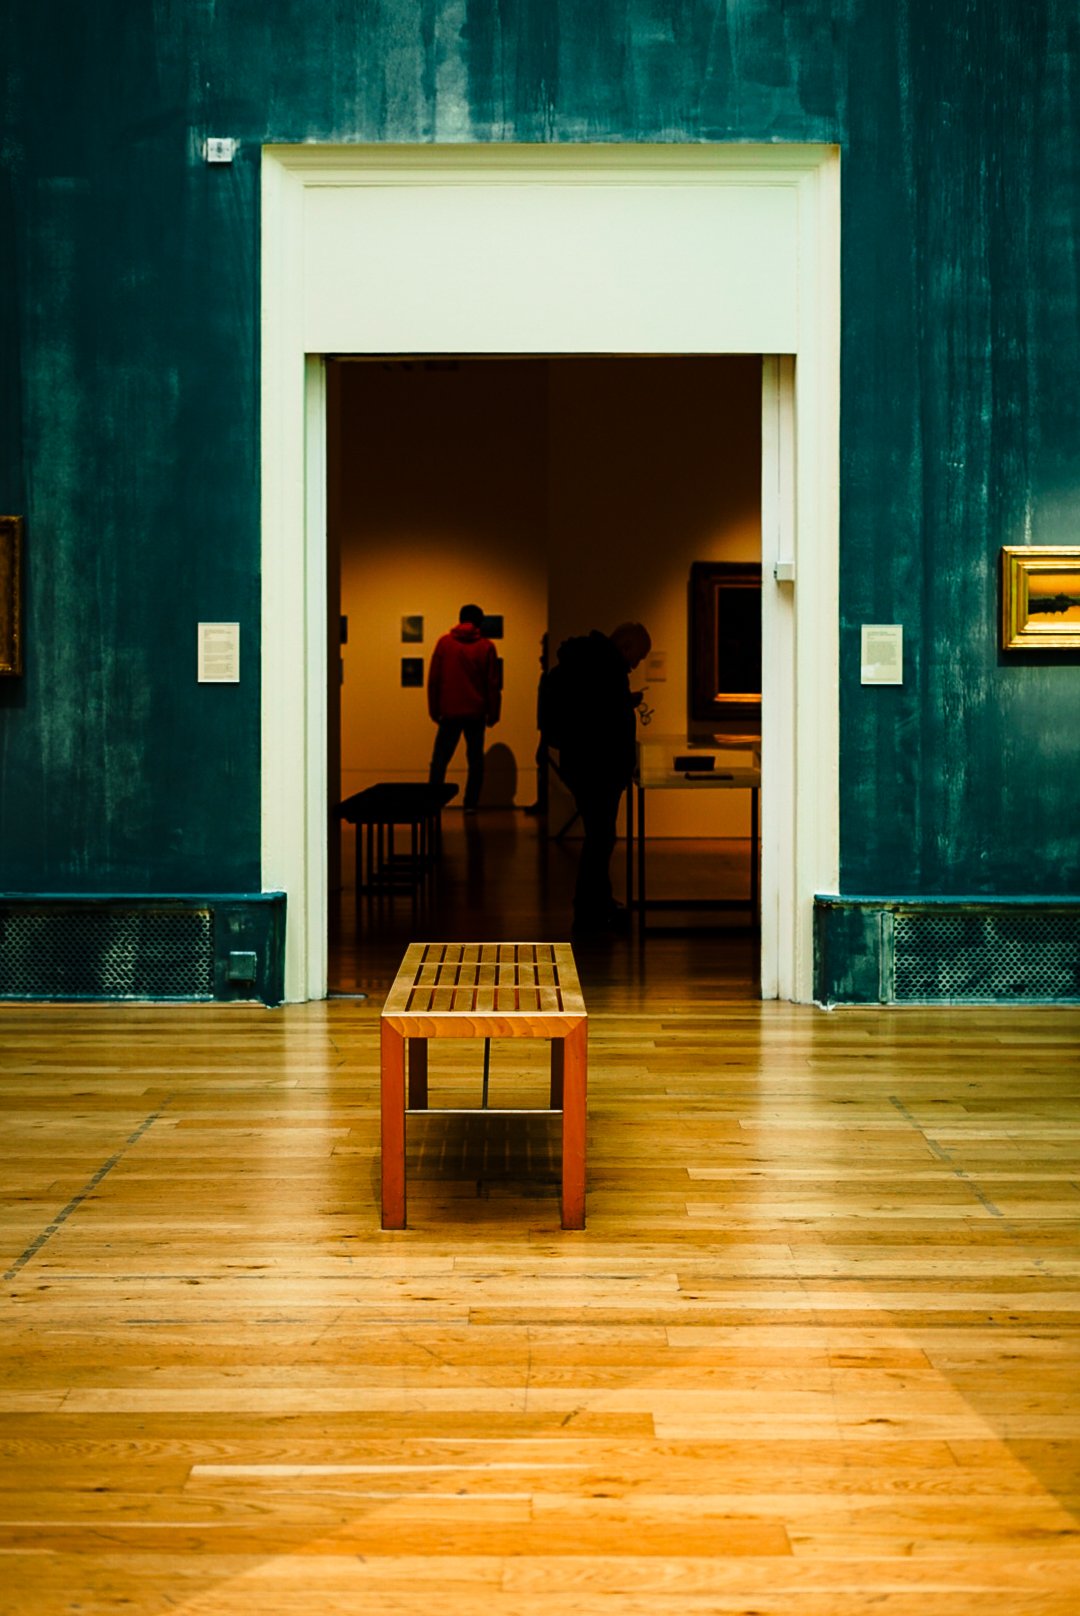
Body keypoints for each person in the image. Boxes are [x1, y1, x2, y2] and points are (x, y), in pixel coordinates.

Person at [540, 621, 651, 933]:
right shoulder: (606, 669)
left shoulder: (587, 663)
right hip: (598, 767)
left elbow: (592, 711)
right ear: (626, 646)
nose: (636, 664)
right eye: (638, 656)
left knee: (599, 838)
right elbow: (602, 722)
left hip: (584, 765)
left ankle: (597, 904)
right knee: (600, 840)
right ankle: (590, 911)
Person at [427, 603, 501, 811]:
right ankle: (470, 804)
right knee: (475, 760)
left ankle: (433, 801)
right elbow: (492, 683)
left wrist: (434, 710)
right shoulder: (486, 647)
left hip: (449, 711)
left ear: (460, 619)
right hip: (476, 712)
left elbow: (434, 680)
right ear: (479, 622)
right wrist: (493, 712)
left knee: (440, 760)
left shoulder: (444, 644)